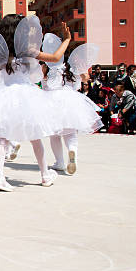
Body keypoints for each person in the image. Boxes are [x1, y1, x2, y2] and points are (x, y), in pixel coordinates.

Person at [0, 15, 70, 191]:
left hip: (5, 95)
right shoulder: (28, 49)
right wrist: (66, 40)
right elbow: (55, 57)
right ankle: (45, 175)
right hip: (26, 95)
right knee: (35, 137)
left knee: (3, 139)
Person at [41, 37, 102, 175]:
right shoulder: (73, 68)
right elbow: (86, 78)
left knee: (54, 134)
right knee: (71, 131)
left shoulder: (47, 67)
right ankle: (72, 150)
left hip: (52, 99)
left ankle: (60, 162)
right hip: (70, 99)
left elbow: (41, 81)